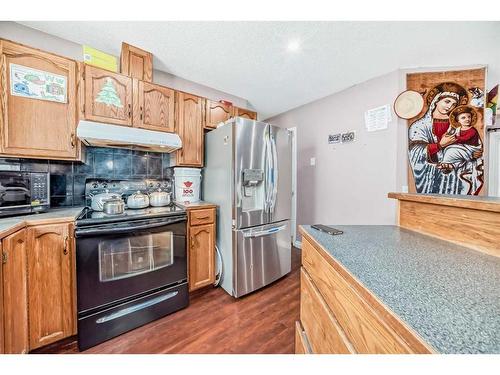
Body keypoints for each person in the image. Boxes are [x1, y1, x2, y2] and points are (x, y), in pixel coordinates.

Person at [408, 81, 483, 195]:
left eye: (454, 104)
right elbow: (414, 152)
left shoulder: (459, 125)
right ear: (436, 101)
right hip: (430, 177)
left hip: (455, 177)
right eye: (447, 101)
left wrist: (471, 155)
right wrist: (439, 145)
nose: (450, 106)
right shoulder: (419, 126)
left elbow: (475, 146)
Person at [438, 106, 482, 174]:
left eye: (469, 117)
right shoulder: (458, 129)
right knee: (449, 150)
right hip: (462, 147)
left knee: (453, 151)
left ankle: (446, 163)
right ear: (458, 120)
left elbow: (465, 139)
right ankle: (449, 165)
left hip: (471, 148)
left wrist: (453, 138)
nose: (467, 119)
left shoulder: (472, 130)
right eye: (463, 118)